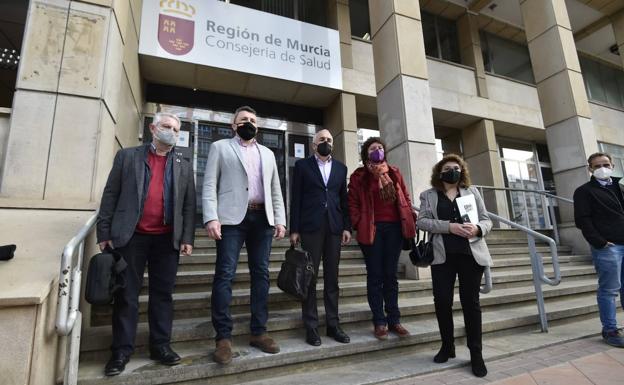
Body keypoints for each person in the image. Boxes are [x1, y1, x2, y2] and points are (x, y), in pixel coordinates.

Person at [96, 112, 196, 376]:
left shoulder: (183, 162)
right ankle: (121, 351)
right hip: (131, 237)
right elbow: (110, 195)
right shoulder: (127, 156)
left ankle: (160, 346)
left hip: (167, 239)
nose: (172, 132)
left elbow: (188, 205)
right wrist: (103, 232)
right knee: (126, 295)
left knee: (162, 295)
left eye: (176, 129)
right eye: (167, 127)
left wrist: (187, 238)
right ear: (153, 128)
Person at [202, 106, 286, 365]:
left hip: (262, 219)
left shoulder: (268, 153)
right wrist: (211, 216)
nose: (248, 123)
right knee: (225, 273)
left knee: (260, 274)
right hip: (231, 220)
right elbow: (209, 184)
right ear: (233, 125)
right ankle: (223, 337)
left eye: (252, 120)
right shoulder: (220, 147)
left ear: (257, 126)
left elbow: (275, 188)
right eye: (243, 120)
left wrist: (280, 219)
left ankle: (259, 332)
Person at [416, 154, 492, 378]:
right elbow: (422, 221)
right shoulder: (429, 195)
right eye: (448, 168)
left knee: (471, 304)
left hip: (471, 255)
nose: (453, 171)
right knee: (442, 301)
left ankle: (476, 353)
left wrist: (478, 229)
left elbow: (487, 220)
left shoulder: (472, 192)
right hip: (443, 257)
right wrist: (450, 227)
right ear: (440, 172)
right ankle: (447, 346)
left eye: (457, 168)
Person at [348, 137, 416, 340]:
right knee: (375, 276)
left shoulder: (394, 172)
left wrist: (409, 215)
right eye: (372, 148)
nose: (377, 150)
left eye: (380, 148)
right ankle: (379, 320)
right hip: (372, 230)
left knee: (390, 275)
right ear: (366, 154)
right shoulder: (360, 176)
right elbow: (352, 203)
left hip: (394, 229)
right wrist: (358, 222)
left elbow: (405, 195)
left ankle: (394, 319)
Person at [289, 129, 352, 346]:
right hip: (310, 228)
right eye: (321, 140)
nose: (326, 142)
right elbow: (295, 198)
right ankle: (311, 327)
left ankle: (333, 324)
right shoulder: (302, 166)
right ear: (314, 145)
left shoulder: (341, 168)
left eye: (329, 140)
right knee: (310, 278)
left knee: (332, 279)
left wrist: (347, 227)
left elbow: (344, 200)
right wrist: (294, 229)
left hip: (334, 228)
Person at [574, 152, 624, 348]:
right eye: (597, 166)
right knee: (609, 290)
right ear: (590, 169)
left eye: (605, 164)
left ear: (612, 165)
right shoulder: (584, 191)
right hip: (608, 247)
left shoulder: (619, 187)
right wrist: (599, 242)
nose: (602, 168)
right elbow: (582, 220)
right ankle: (610, 329)